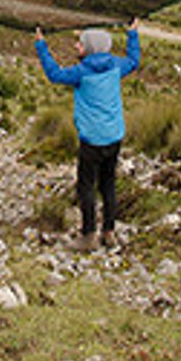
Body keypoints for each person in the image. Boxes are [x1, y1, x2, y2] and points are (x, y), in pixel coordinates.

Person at [35, 18, 142, 251]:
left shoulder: (80, 73)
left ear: (90, 48)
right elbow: (134, 61)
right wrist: (132, 35)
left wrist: (41, 45)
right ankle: (109, 232)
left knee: (86, 186)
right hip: (114, 137)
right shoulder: (115, 66)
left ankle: (88, 235)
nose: (76, 46)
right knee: (108, 184)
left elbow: (54, 74)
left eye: (80, 44)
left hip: (91, 140)